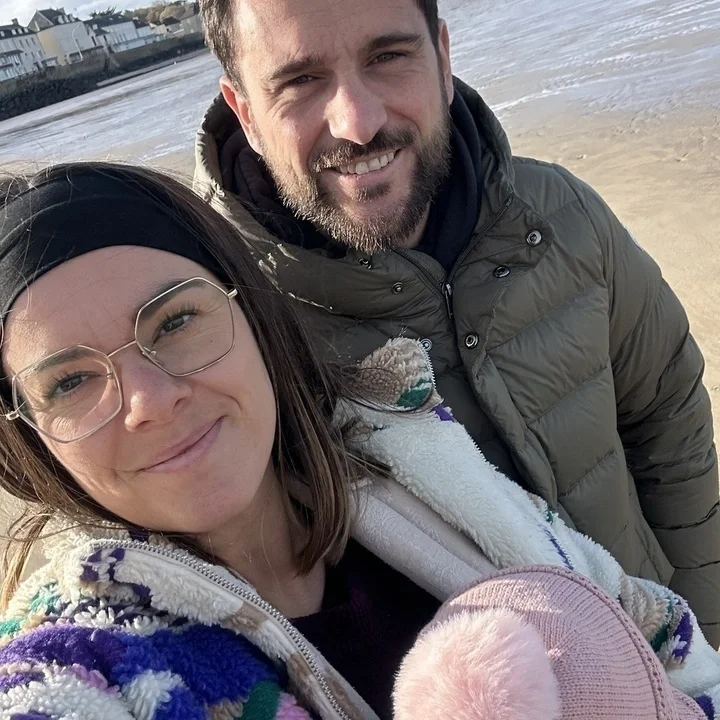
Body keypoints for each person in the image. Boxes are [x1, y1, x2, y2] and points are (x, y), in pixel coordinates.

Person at [0, 163, 718, 720]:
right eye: (70, 383)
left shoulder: (418, 463)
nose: (151, 401)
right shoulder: (77, 660)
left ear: (251, 313)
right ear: (29, 434)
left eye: (175, 322)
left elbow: (662, 638)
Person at [192, 0, 720, 644]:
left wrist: (701, 631)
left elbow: (669, 425)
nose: (358, 123)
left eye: (388, 56)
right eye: (300, 81)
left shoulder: (563, 216)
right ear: (245, 112)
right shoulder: (222, 333)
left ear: (442, 59)